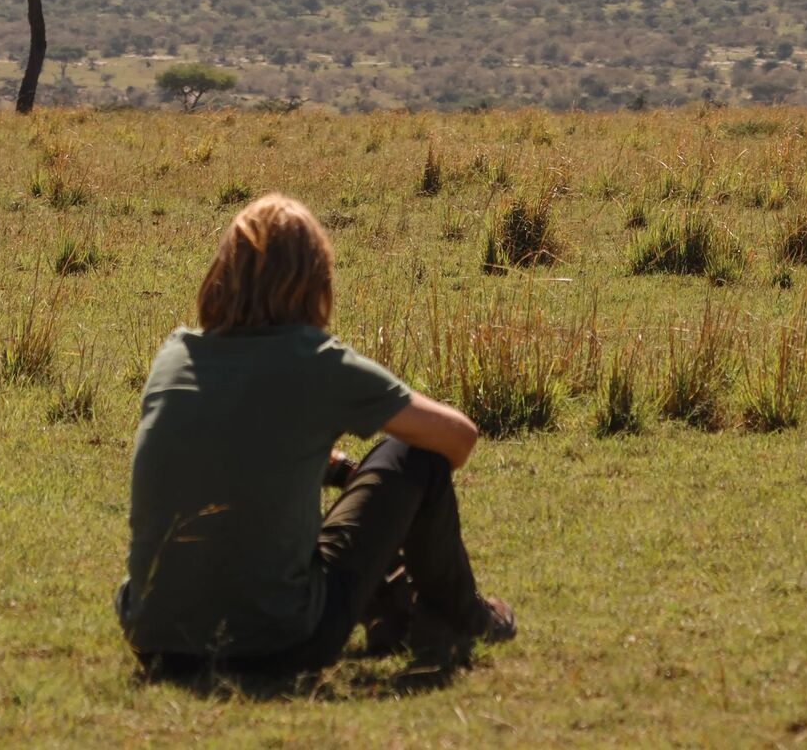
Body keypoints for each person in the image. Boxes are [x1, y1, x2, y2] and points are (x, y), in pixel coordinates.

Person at [116, 193, 515, 676]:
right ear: (315, 279)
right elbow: (458, 437)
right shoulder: (314, 359)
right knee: (415, 456)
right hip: (277, 646)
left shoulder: (175, 355)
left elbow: (225, 449)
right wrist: (360, 474)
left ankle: (399, 604)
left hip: (156, 642)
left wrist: (326, 464)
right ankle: (463, 618)